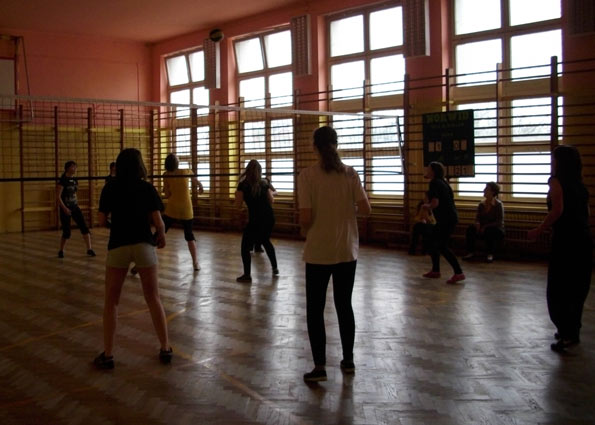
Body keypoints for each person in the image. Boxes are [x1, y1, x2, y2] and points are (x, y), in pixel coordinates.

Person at [298, 126, 371, 382]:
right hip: (346, 251)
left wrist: (305, 227)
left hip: (318, 251)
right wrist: (344, 209)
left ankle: (319, 367)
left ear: (314, 146)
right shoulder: (350, 173)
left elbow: (305, 217)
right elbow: (366, 209)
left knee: (315, 310)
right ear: (336, 145)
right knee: (344, 305)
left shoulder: (307, 176)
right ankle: (348, 360)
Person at [94, 148, 172, 369]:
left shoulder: (110, 187)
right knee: (153, 297)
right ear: (140, 166)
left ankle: (108, 354)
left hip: (118, 245)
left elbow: (101, 220)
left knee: (112, 300)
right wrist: (161, 236)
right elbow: (159, 221)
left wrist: (116, 226)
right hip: (144, 244)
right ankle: (165, 348)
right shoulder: (147, 188)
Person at [528, 145, 592, 353]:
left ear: (559, 162)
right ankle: (572, 330)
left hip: (566, 240)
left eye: (553, 158)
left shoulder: (556, 182)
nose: (551, 161)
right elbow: (587, 213)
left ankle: (566, 333)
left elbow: (557, 210)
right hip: (583, 238)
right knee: (577, 286)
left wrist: (539, 229)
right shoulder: (580, 184)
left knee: (559, 287)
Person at [235, 160, 278, 282]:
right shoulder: (264, 183)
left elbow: (238, 205)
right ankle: (275, 268)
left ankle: (247, 275)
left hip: (256, 219)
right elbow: (271, 201)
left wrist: (237, 196)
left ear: (247, 170)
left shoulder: (243, 185)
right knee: (265, 241)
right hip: (269, 217)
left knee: (245, 247)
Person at [422, 162, 465, 284]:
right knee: (433, 242)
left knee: (441, 245)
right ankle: (435, 270)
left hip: (446, 219)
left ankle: (458, 272)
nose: (426, 170)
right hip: (449, 218)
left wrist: (426, 206)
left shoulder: (434, 183)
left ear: (433, 171)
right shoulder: (444, 182)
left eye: (428, 169)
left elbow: (435, 203)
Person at [161, 153, 204, 271]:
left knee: (160, 232)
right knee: (189, 235)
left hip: (172, 208)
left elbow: (167, 195)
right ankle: (195, 263)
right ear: (176, 162)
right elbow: (196, 182)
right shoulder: (185, 171)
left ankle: (139, 264)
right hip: (186, 209)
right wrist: (200, 187)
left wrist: (167, 189)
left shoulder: (166, 175)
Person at [56, 160, 95, 258]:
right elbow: (58, 197)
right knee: (67, 232)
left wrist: (76, 204)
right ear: (68, 168)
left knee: (84, 227)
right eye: (73, 166)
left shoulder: (75, 180)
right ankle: (61, 250)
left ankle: (89, 249)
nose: (75, 168)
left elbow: (74, 194)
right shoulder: (62, 180)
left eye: (75, 166)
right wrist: (65, 208)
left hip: (75, 207)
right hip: (65, 209)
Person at [462, 181, 505, 263]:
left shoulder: (498, 205)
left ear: (493, 192)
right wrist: (477, 223)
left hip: (496, 229)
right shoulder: (481, 204)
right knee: (471, 229)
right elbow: (477, 218)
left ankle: (490, 254)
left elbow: (499, 222)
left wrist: (486, 226)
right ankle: (471, 252)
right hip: (482, 228)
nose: (484, 190)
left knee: (489, 231)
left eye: (486, 189)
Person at [253, 177, 277, 253]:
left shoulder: (256, 188)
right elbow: (272, 199)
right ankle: (259, 244)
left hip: (256, 211)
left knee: (259, 228)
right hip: (265, 211)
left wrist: (271, 192)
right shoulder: (265, 188)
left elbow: (275, 192)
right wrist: (271, 193)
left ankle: (257, 246)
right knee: (265, 228)